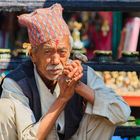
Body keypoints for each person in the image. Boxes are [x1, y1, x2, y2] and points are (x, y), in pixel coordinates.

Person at [0, 3, 131, 140]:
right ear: (33, 55)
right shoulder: (16, 83)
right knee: (4, 107)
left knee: (106, 114)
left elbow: (122, 113)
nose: (56, 60)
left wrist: (79, 86)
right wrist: (62, 98)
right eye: (47, 52)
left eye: (62, 52)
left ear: (69, 52)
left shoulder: (83, 75)